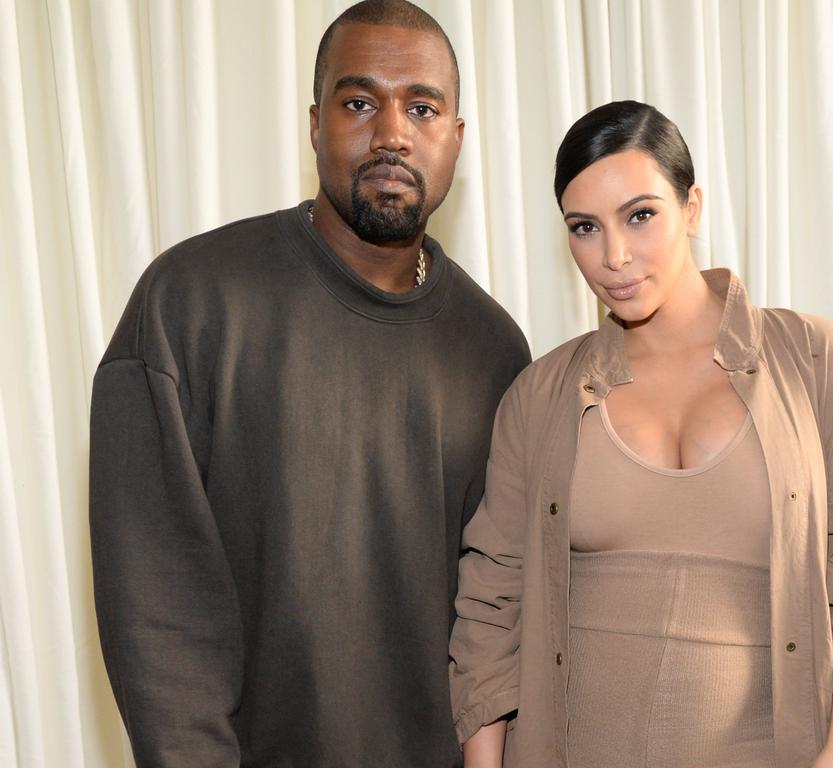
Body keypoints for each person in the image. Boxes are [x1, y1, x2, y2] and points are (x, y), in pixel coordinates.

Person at [89, 1, 529, 765]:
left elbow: (498, 613)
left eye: (421, 107)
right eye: (360, 103)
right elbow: (158, 616)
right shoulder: (192, 302)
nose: (392, 132)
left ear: (456, 139)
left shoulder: (494, 351)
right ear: (315, 123)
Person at [449, 100, 833, 768]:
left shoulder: (814, 360)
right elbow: (491, 599)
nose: (614, 256)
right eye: (584, 227)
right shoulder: (541, 396)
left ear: (693, 208)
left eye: (640, 216)